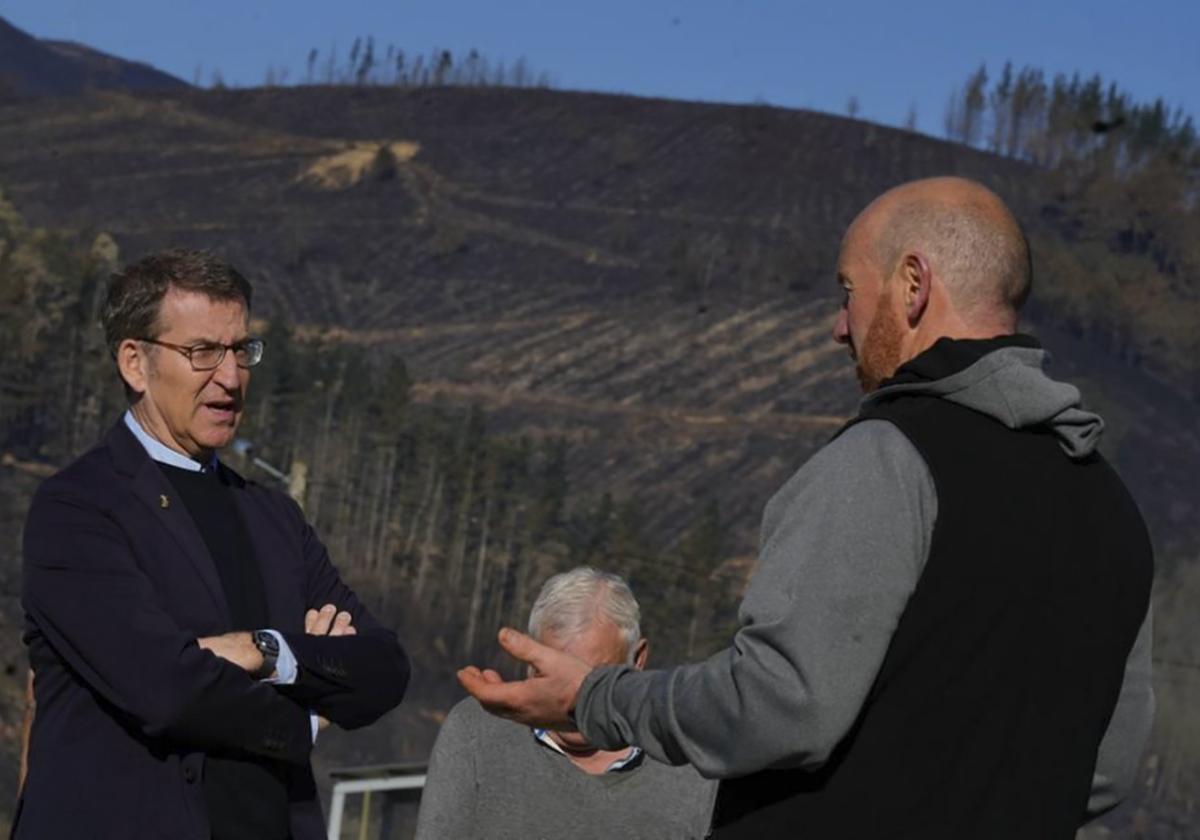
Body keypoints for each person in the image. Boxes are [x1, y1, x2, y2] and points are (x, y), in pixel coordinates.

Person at [459, 177, 1155, 839]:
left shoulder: (886, 458)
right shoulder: (1112, 509)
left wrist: (597, 701)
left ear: (912, 285)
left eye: (849, 290)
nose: (838, 325)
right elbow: (1106, 768)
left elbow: (777, 707)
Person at [19, 249, 410, 840]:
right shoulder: (78, 509)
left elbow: (383, 669)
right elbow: (168, 689)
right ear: (135, 362)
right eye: (202, 352)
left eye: (241, 350)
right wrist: (305, 715)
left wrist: (266, 651)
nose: (230, 377)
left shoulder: (273, 518)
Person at [417, 567, 717, 840]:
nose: (571, 696)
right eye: (549, 675)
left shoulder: (694, 756)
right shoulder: (478, 732)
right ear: (527, 661)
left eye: (594, 680)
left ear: (637, 659)